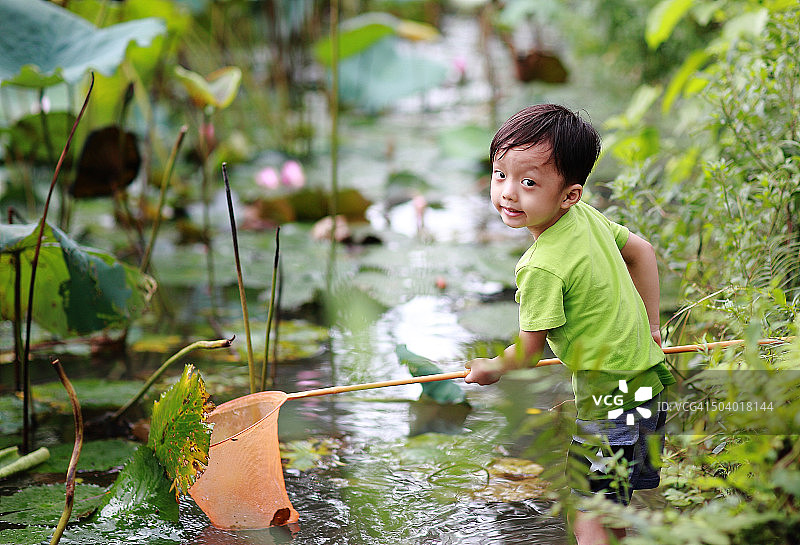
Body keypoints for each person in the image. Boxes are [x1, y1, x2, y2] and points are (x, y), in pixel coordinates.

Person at [464, 104, 675, 545]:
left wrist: (490, 369)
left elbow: (527, 353)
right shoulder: (586, 218)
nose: (508, 193)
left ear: (569, 194)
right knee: (613, 500)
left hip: (607, 401)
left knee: (587, 512)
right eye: (500, 174)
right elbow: (644, 251)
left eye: (528, 183)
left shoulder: (541, 267)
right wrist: (652, 328)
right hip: (649, 386)